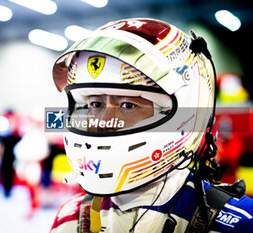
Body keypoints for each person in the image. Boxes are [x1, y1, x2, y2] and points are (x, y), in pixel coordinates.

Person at [49, 18, 253, 233]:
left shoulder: (238, 225)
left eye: (128, 105)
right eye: (95, 103)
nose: (102, 123)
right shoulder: (70, 217)